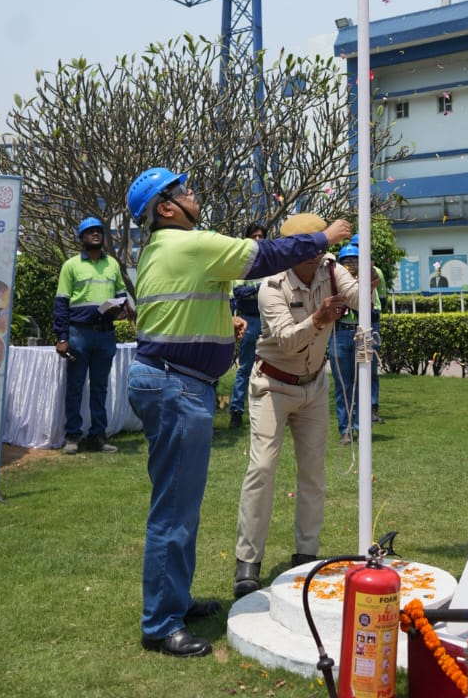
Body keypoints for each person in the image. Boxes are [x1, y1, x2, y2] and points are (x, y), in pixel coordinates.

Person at [125, 165, 351, 660]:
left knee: (181, 505)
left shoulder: (162, 251)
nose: (192, 193)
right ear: (165, 208)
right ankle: (161, 624)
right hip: (176, 386)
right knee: (174, 511)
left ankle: (175, 603)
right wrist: (323, 236)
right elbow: (265, 255)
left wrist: (216, 319)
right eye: (181, 190)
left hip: (173, 382)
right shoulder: (189, 244)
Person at [233, 213, 370, 598]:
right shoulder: (270, 286)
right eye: (309, 249)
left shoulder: (330, 270)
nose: (317, 257)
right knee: (261, 468)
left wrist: (367, 281)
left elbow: (360, 301)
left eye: (321, 248)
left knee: (313, 474)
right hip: (273, 385)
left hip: (314, 385)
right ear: (290, 252)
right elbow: (289, 341)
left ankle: (306, 557)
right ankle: (248, 562)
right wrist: (320, 318)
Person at [53, 216, 127, 455]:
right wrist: (62, 338)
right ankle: (72, 436)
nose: (96, 234)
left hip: (105, 335)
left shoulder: (113, 265)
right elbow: (61, 304)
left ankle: (98, 436)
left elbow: (121, 295)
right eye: (90, 232)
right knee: (75, 386)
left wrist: (121, 309)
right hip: (79, 335)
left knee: (100, 388)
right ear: (81, 238)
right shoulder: (71, 265)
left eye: (99, 231)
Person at [331, 235, 385, 445]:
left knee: (363, 380)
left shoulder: (367, 284)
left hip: (361, 333)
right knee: (342, 384)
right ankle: (345, 429)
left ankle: (361, 427)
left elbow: (371, 308)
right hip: (340, 333)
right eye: (347, 262)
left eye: (355, 261)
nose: (351, 265)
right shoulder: (334, 283)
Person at [229, 223, 267, 429]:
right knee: (245, 368)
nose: (258, 240)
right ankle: (236, 410)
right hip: (249, 319)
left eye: (261, 236)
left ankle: (269, 410)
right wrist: (260, 287)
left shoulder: (271, 263)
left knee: (272, 368)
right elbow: (238, 292)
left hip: (268, 320)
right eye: (254, 236)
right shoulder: (241, 264)